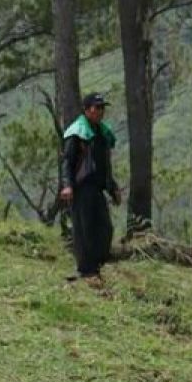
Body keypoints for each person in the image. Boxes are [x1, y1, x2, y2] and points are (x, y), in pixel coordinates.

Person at [60, 93, 123, 286]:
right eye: (97, 108)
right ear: (87, 110)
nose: (101, 111)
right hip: (81, 187)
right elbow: (67, 162)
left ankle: (97, 265)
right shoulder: (77, 133)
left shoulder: (102, 133)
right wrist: (68, 185)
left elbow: (105, 165)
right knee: (84, 228)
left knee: (104, 228)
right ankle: (86, 270)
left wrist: (112, 188)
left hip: (97, 187)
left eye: (102, 107)